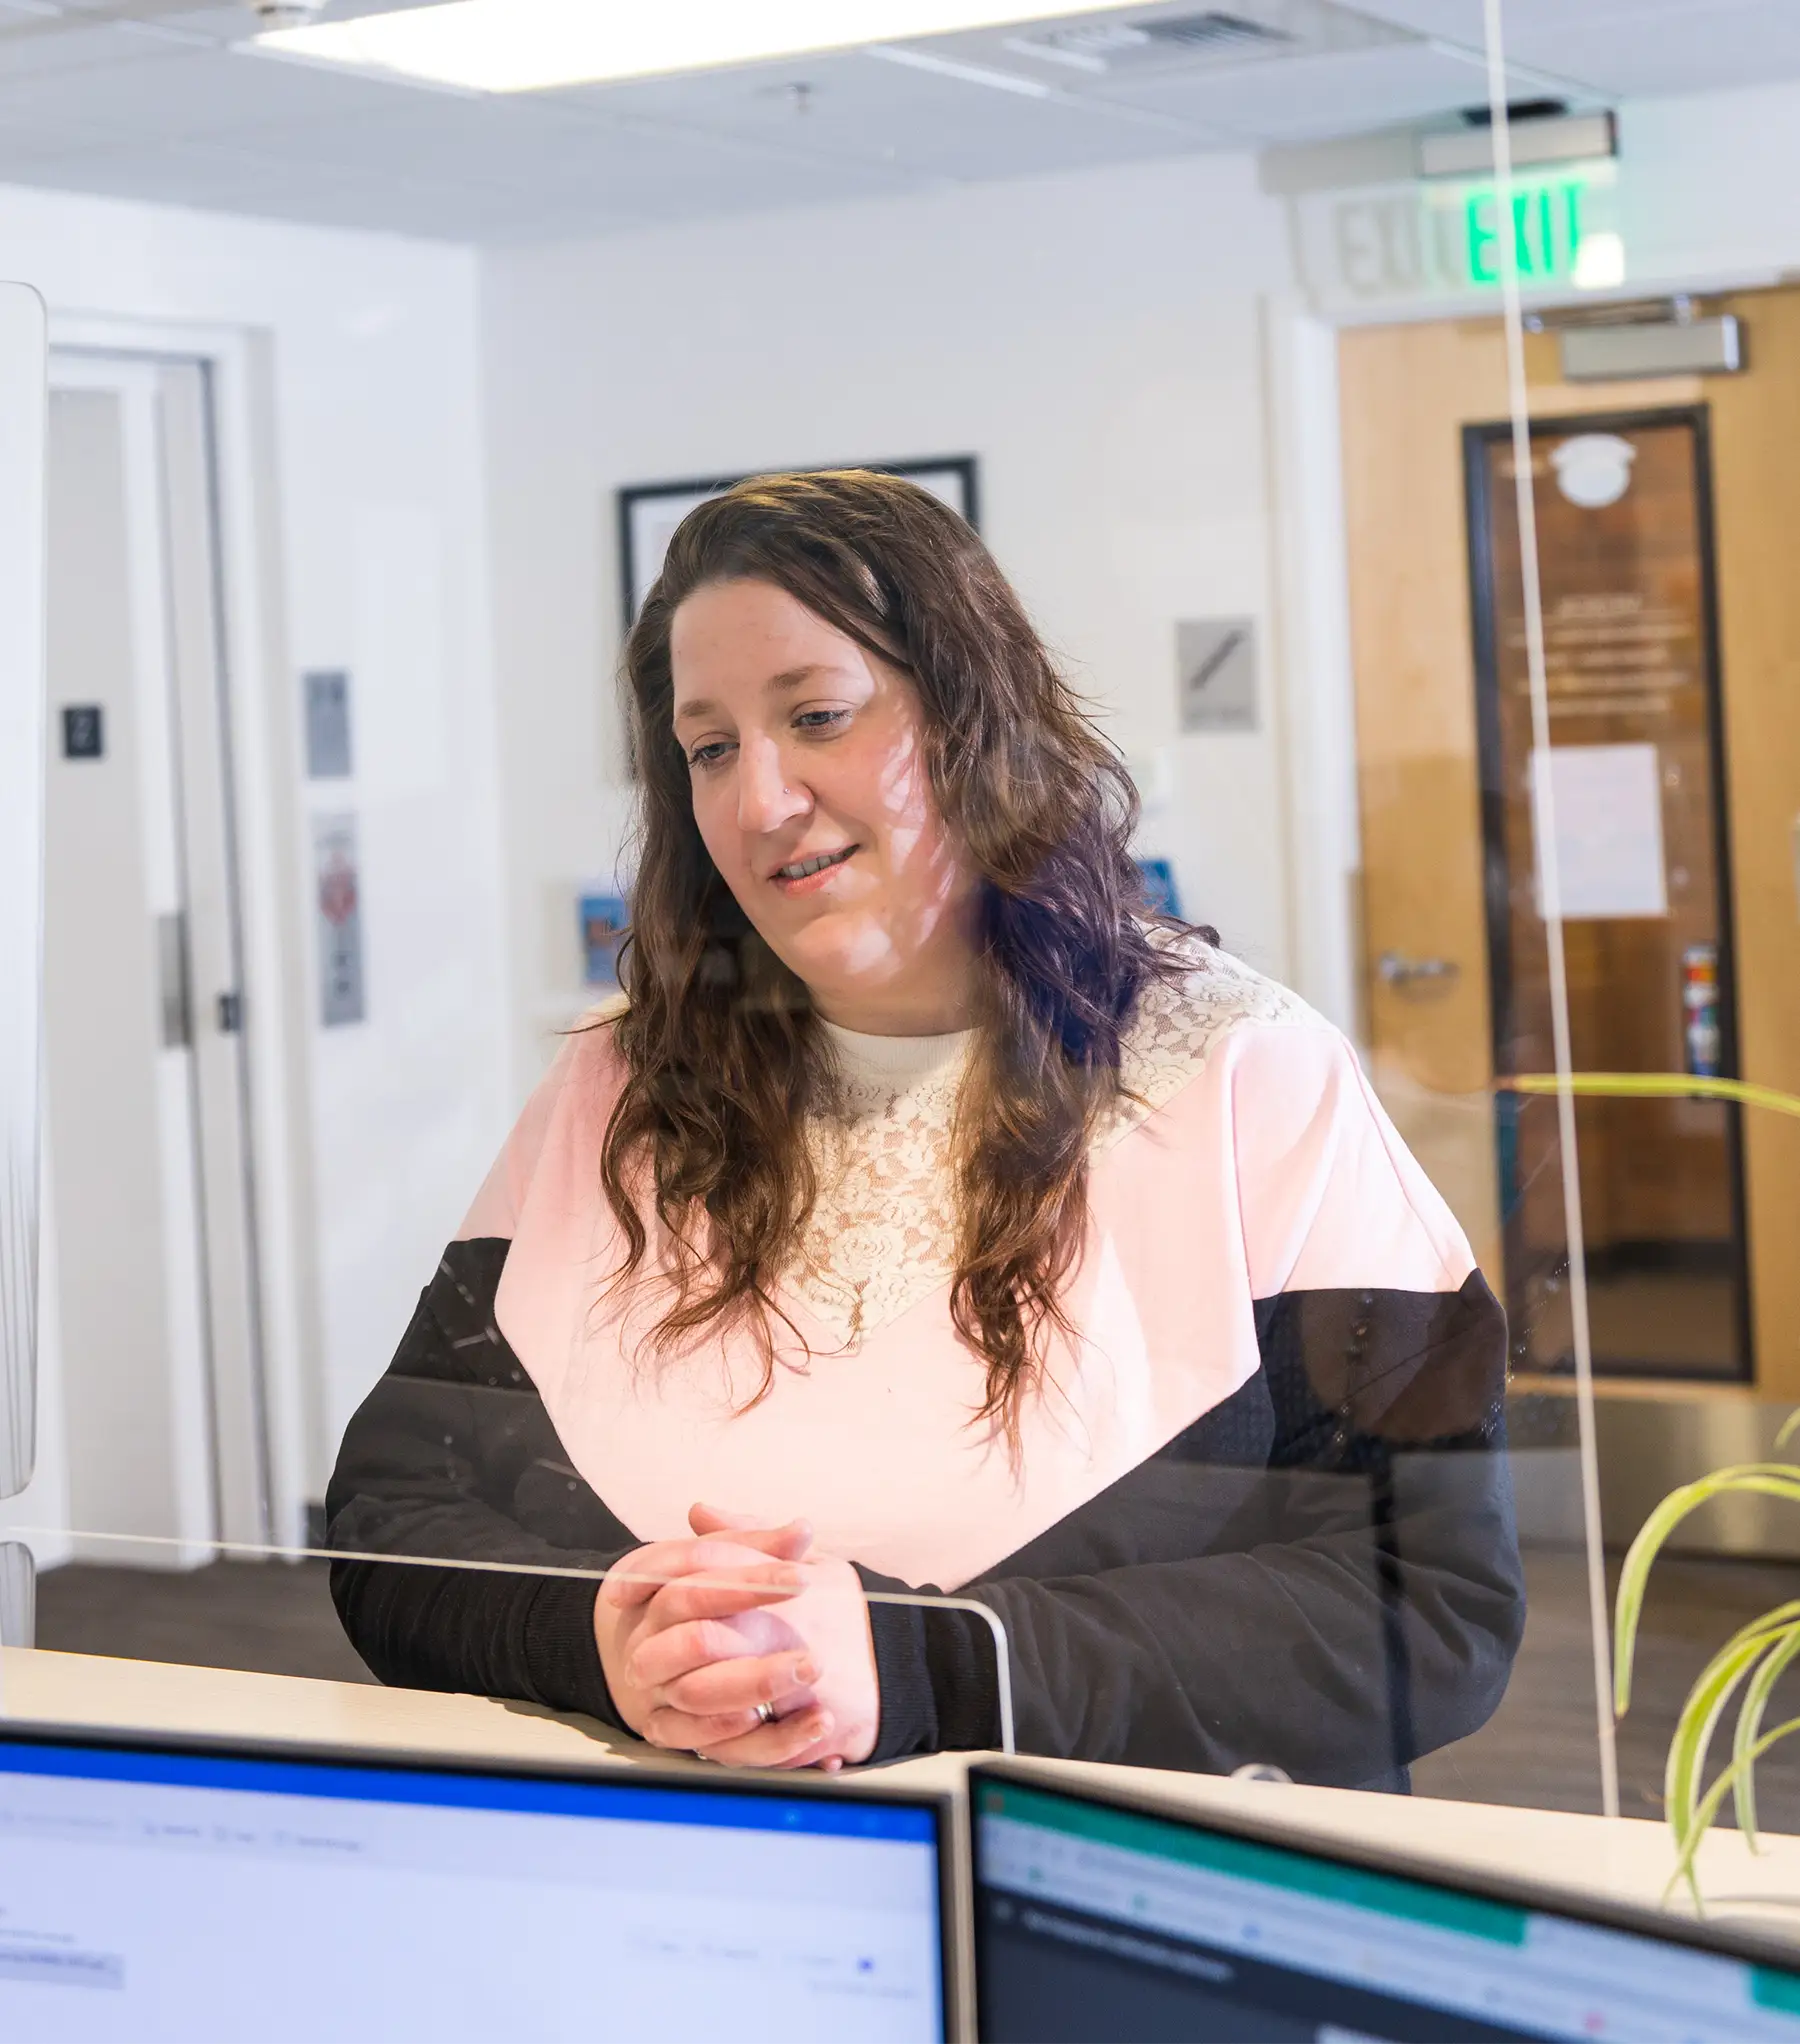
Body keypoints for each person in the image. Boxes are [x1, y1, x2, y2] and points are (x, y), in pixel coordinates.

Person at [327, 469, 1523, 1786]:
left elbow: (1429, 1605)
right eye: (710, 748)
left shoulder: (1242, 1073)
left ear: (972, 724)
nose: (761, 798)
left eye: (820, 716)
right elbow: (391, 1511)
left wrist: (917, 1661)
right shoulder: (615, 1091)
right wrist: (603, 1637)